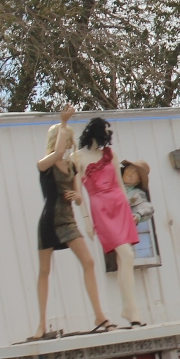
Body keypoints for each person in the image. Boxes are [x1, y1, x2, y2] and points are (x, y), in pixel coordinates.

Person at [32, 105, 111, 339]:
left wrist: (78, 198)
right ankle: (41, 324)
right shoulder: (44, 164)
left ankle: (99, 315)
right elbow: (56, 155)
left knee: (88, 261)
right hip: (50, 219)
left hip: (67, 220)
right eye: (63, 137)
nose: (67, 141)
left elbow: (78, 198)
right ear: (56, 139)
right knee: (44, 271)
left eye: (68, 137)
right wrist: (63, 123)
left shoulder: (73, 165)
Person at [72, 117, 144, 329]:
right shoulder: (77, 158)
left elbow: (121, 185)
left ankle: (130, 310)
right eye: (104, 130)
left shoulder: (111, 154)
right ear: (94, 131)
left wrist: (129, 210)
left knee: (127, 259)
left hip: (119, 205)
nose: (107, 135)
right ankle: (132, 310)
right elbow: (78, 193)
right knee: (126, 255)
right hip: (100, 207)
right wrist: (86, 220)